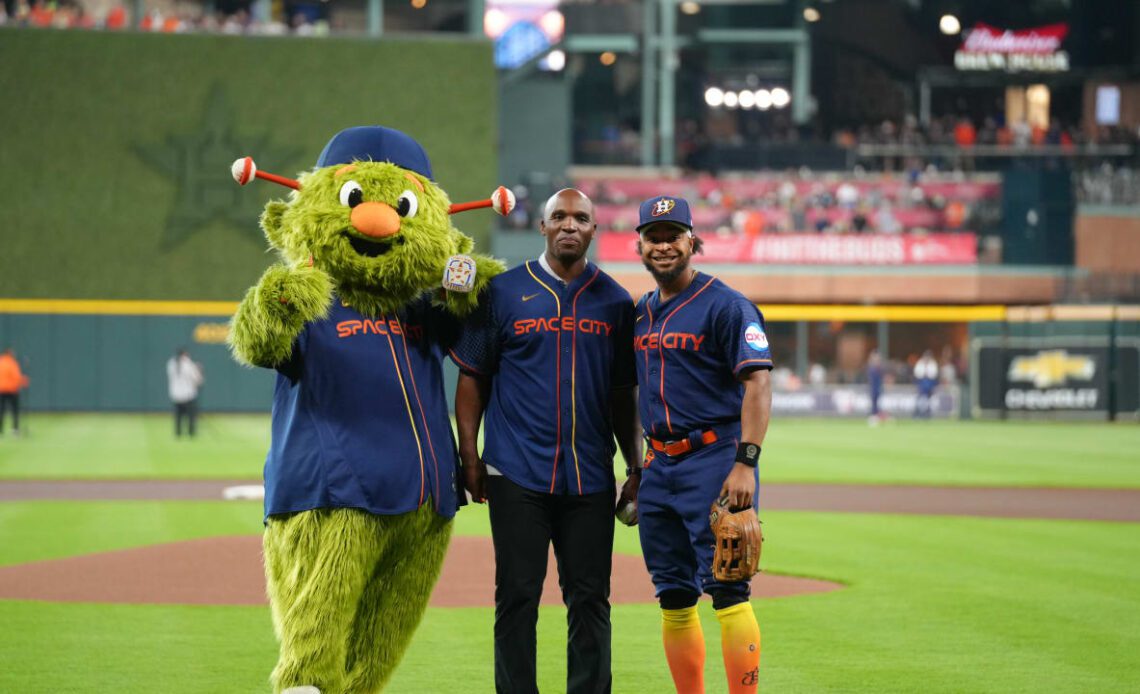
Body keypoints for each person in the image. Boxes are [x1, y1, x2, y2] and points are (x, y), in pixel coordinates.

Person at [451, 188, 642, 694]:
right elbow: (472, 379)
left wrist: (636, 468)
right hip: (516, 474)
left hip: (589, 478)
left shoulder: (617, 302)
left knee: (590, 600)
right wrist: (469, 456)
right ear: (542, 227)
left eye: (581, 218)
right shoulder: (502, 293)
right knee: (516, 596)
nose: (570, 225)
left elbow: (625, 394)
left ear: (594, 230)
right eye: (559, 216)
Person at [631, 195, 773, 694]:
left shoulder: (727, 305)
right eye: (654, 236)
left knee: (728, 588)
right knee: (672, 594)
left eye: (674, 235)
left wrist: (745, 465)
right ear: (640, 245)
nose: (664, 245)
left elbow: (758, 383)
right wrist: (635, 468)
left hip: (713, 459)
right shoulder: (642, 313)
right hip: (658, 466)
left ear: (694, 241)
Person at [166, 348, 203, 438]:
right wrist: (199, 369)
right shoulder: (188, 364)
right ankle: (191, 433)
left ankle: (178, 433)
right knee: (191, 417)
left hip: (176, 395)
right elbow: (198, 380)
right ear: (185, 355)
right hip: (188, 395)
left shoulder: (171, 364)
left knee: (178, 416)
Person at [0, 348, 30, 437]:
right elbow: (16, 376)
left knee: (1, 410)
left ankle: (1, 429)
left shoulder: (1, 362)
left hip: (1, 390)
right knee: (15, 410)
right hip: (12, 390)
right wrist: (24, 380)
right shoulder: (12, 363)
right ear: (9, 354)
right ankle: (15, 429)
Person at [913, 349, 939, 419]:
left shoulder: (933, 363)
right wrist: (924, 375)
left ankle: (928, 413)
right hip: (921, 383)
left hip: (930, 383)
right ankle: (918, 413)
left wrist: (927, 375)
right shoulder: (920, 363)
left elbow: (934, 374)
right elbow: (917, 373)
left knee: (929, 399)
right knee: (920, 398)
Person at [867, 350, 884, 425]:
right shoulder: (872, 368)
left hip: (877, 388)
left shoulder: (878, 368)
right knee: (874, 403)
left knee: (876, 403)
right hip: (873, 388)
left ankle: (875, 417)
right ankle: (874, 417)